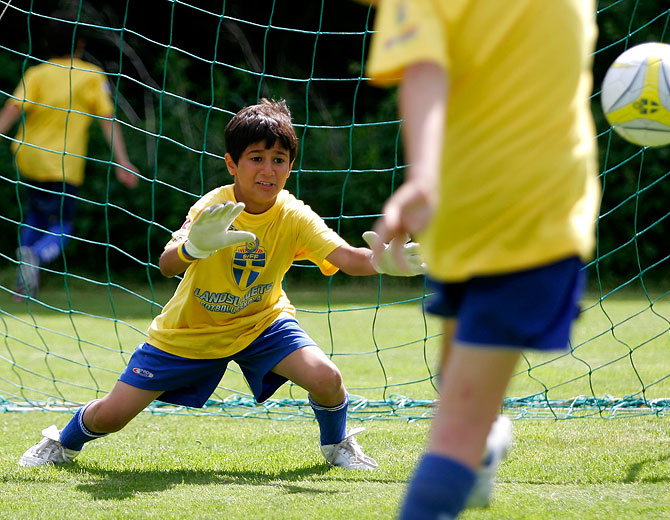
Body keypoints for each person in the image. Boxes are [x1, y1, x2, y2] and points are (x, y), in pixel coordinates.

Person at [18, 98, 425, 470]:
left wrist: (381, 261)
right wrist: (194, 247)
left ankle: (337, 446)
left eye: (279, 159)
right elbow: (166, 264)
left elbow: (347, 258)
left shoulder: (294, 215)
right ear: (232, 164)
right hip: (189, 334)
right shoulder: (213, 207)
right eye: (256, 158)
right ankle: (62, 443)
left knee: (327, 377)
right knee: (113, 415)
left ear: (290, 165)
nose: (268, 169)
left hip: (261, 323)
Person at [365, 0, 600, 517]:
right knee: (457, 390)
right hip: (471, 218)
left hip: (524, 218)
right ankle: (483, 445)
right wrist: (426, 179)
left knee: (455, 427)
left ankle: (473, 448)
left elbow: (424, 69)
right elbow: (426, 67)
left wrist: (423, 178)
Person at [0, 16, 139, 300]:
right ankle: (37, 256)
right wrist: (122, 160)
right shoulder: (90, 75)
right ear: (81, 45)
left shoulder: (37, 73)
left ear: (46, 44)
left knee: (36, 216)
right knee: (64, 225)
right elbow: (107, 119)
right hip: (63, 163)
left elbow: (13, 108)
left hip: (28, 158)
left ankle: (22, 284)